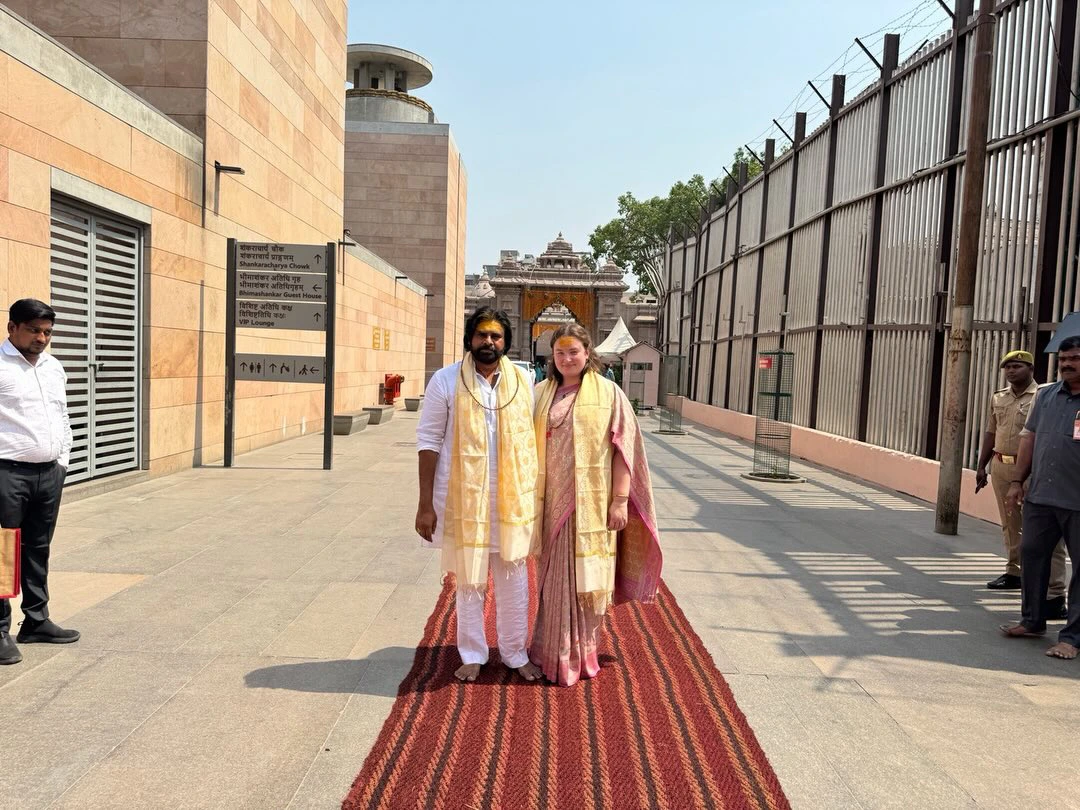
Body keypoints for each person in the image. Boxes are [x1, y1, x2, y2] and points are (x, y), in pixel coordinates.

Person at [528, 322, 662, 686]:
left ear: (588, 354)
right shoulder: (540, 393)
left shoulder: (609, 394)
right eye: (560, 353)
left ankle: (578, 654)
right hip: (549, 503)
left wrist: (620, 500)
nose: (567, 358)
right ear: (551, 357)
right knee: (552, 581)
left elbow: (624, 452)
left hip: (592, 505)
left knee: (585, 582)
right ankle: (548, 652)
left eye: (574, 351)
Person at [415, 307, 542, 682]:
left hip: (512, 499)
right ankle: (472, 653)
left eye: (496, 336)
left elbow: (534, 443)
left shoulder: (522, 380)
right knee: (470, 579)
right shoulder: (445, 380)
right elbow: (428, 440)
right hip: (463, 499)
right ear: (470, 339)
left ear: (506, 341)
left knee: (515, 578)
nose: (489, 342)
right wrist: (425, 505)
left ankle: (516, 652)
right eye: (482, 335)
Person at [0, 299, 79, 666]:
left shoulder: (53, 367)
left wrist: (62, 459)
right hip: (7, 473)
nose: (41, 338)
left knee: (38, 547)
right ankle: (0, 629)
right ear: (12, 328)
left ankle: (36, 620)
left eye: (47, 332)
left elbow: (61, 415)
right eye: (33, 329)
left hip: (48, 473)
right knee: (4, 551)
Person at [1000, 332, 1080, 659]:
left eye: (1074, 359)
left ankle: (1073, 638)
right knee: (1032, 555)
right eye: (1063, 360)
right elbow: (1028, 438)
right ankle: (1032, 620)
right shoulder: (1046, 396)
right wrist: (1017, 481)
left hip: (1077, 501)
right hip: (1041, 496)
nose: (1067, 365)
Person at [975, 350, 1067, 615]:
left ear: (1030, 368)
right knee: (1009, 522)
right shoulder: (998, 397)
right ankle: (1013, 571)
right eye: (1007, 367)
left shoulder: (1043, 396)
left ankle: (1052, 592)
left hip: (1031, 469)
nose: (1011, 371)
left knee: (1042, 529)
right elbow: (991, 431)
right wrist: (982, 465)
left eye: (1016, 366)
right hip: (1001, 465)